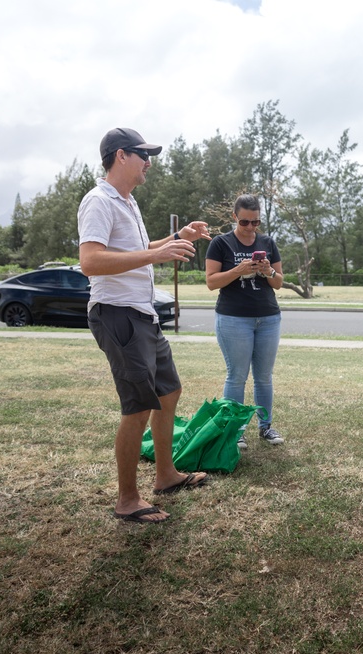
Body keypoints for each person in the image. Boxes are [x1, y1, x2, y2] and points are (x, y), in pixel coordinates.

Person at [79, 127, 213, 524]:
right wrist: (155, 257)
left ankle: (166, 475)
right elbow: (91, 261)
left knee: (169, 392)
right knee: (138, 407)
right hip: (117, 314)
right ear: (121, 156)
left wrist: (174, 238)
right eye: (143, 155)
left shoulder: (128, 201)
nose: (149, 163)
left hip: (143, 314)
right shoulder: (98, 201)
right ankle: (127, 500)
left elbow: (134, 250)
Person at [205, 194, 285, 449]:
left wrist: (268, 271)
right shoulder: (221, 244)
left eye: (255, 222)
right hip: (233, 318)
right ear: (234, 218)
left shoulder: (268, 242)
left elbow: (279, 282)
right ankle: (235, 431)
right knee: (237, 376)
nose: (251, 228)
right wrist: (238, 270)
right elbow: (211, 282)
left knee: (264, 377)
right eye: (245, 222)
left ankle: (266, 427)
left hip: (268, 317)